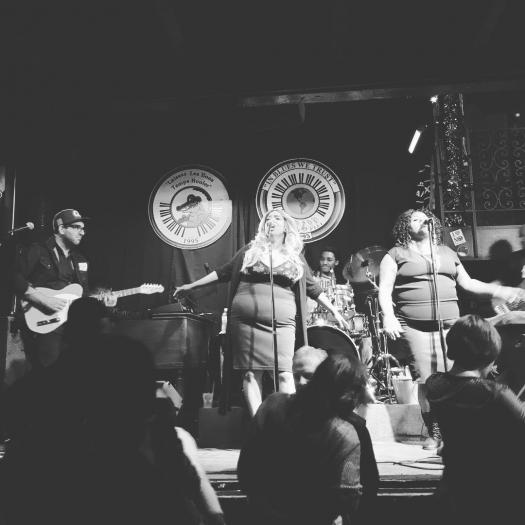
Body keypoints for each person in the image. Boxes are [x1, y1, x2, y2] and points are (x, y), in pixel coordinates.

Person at [174, 210, 348, 417]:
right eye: (268, 219)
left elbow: (313, 288)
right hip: (245, 320)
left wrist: (335, 311)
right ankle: (260, 424)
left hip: (282, 323)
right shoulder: (250, 251)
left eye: (277, 218)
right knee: (250, 373)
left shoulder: (295, 257)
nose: (271, 221)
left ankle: (286, 422)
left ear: (286, 226)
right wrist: (191, 286)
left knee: (285, 374)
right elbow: (223, 272)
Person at [378, 208, 525, 449]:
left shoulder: (446, 253)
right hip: (415, 326)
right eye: (414, 219)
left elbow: (469, 283)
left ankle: (454, 428)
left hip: (449, 325)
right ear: (405, 226)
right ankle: (435, 430)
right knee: (427, 379)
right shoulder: (395, 254)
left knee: (453, 377)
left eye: (424, 218)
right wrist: (389, 317)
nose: (421, 221)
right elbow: (384, 289)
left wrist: (500, 290)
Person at [237, 353, 378, 525]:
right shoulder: (347, 433)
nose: (302, 382)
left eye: (308, 376)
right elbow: (350, 496)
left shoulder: (272, 405)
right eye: (297, 375)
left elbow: (246, 471)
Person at [426, 315, 525, 524]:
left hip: (456, 482)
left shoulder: (434, 384)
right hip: (494, 490)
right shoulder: (495, 393)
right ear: (490, 354)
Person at [13, 208, 90, 369]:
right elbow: (13, 276)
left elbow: (84, 294)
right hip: (44, 322)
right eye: (77, 227)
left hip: (71, 324)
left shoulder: (80, 259)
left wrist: (102, 301)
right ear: (61, 229)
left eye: (83, 228)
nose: (82, 232)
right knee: (48, 371)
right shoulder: (38, 250)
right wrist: (43, 299)